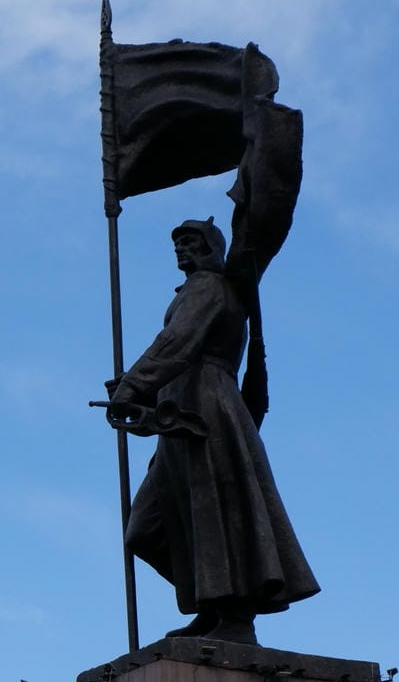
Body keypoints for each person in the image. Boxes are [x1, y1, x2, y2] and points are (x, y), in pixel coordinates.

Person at [107, 218, 318, 645]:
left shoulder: (208, 287)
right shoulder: (196, 290)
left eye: (190, 242)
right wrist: (139, 397)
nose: (181, 250)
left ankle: (233, 615)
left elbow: (177, 343)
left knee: (215, 513)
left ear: (211, 248)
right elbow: (175, 353)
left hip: (207, 408)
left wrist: (133, 384)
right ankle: (213, 600)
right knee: (147, 529)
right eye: (178, 244)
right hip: (181, 408)